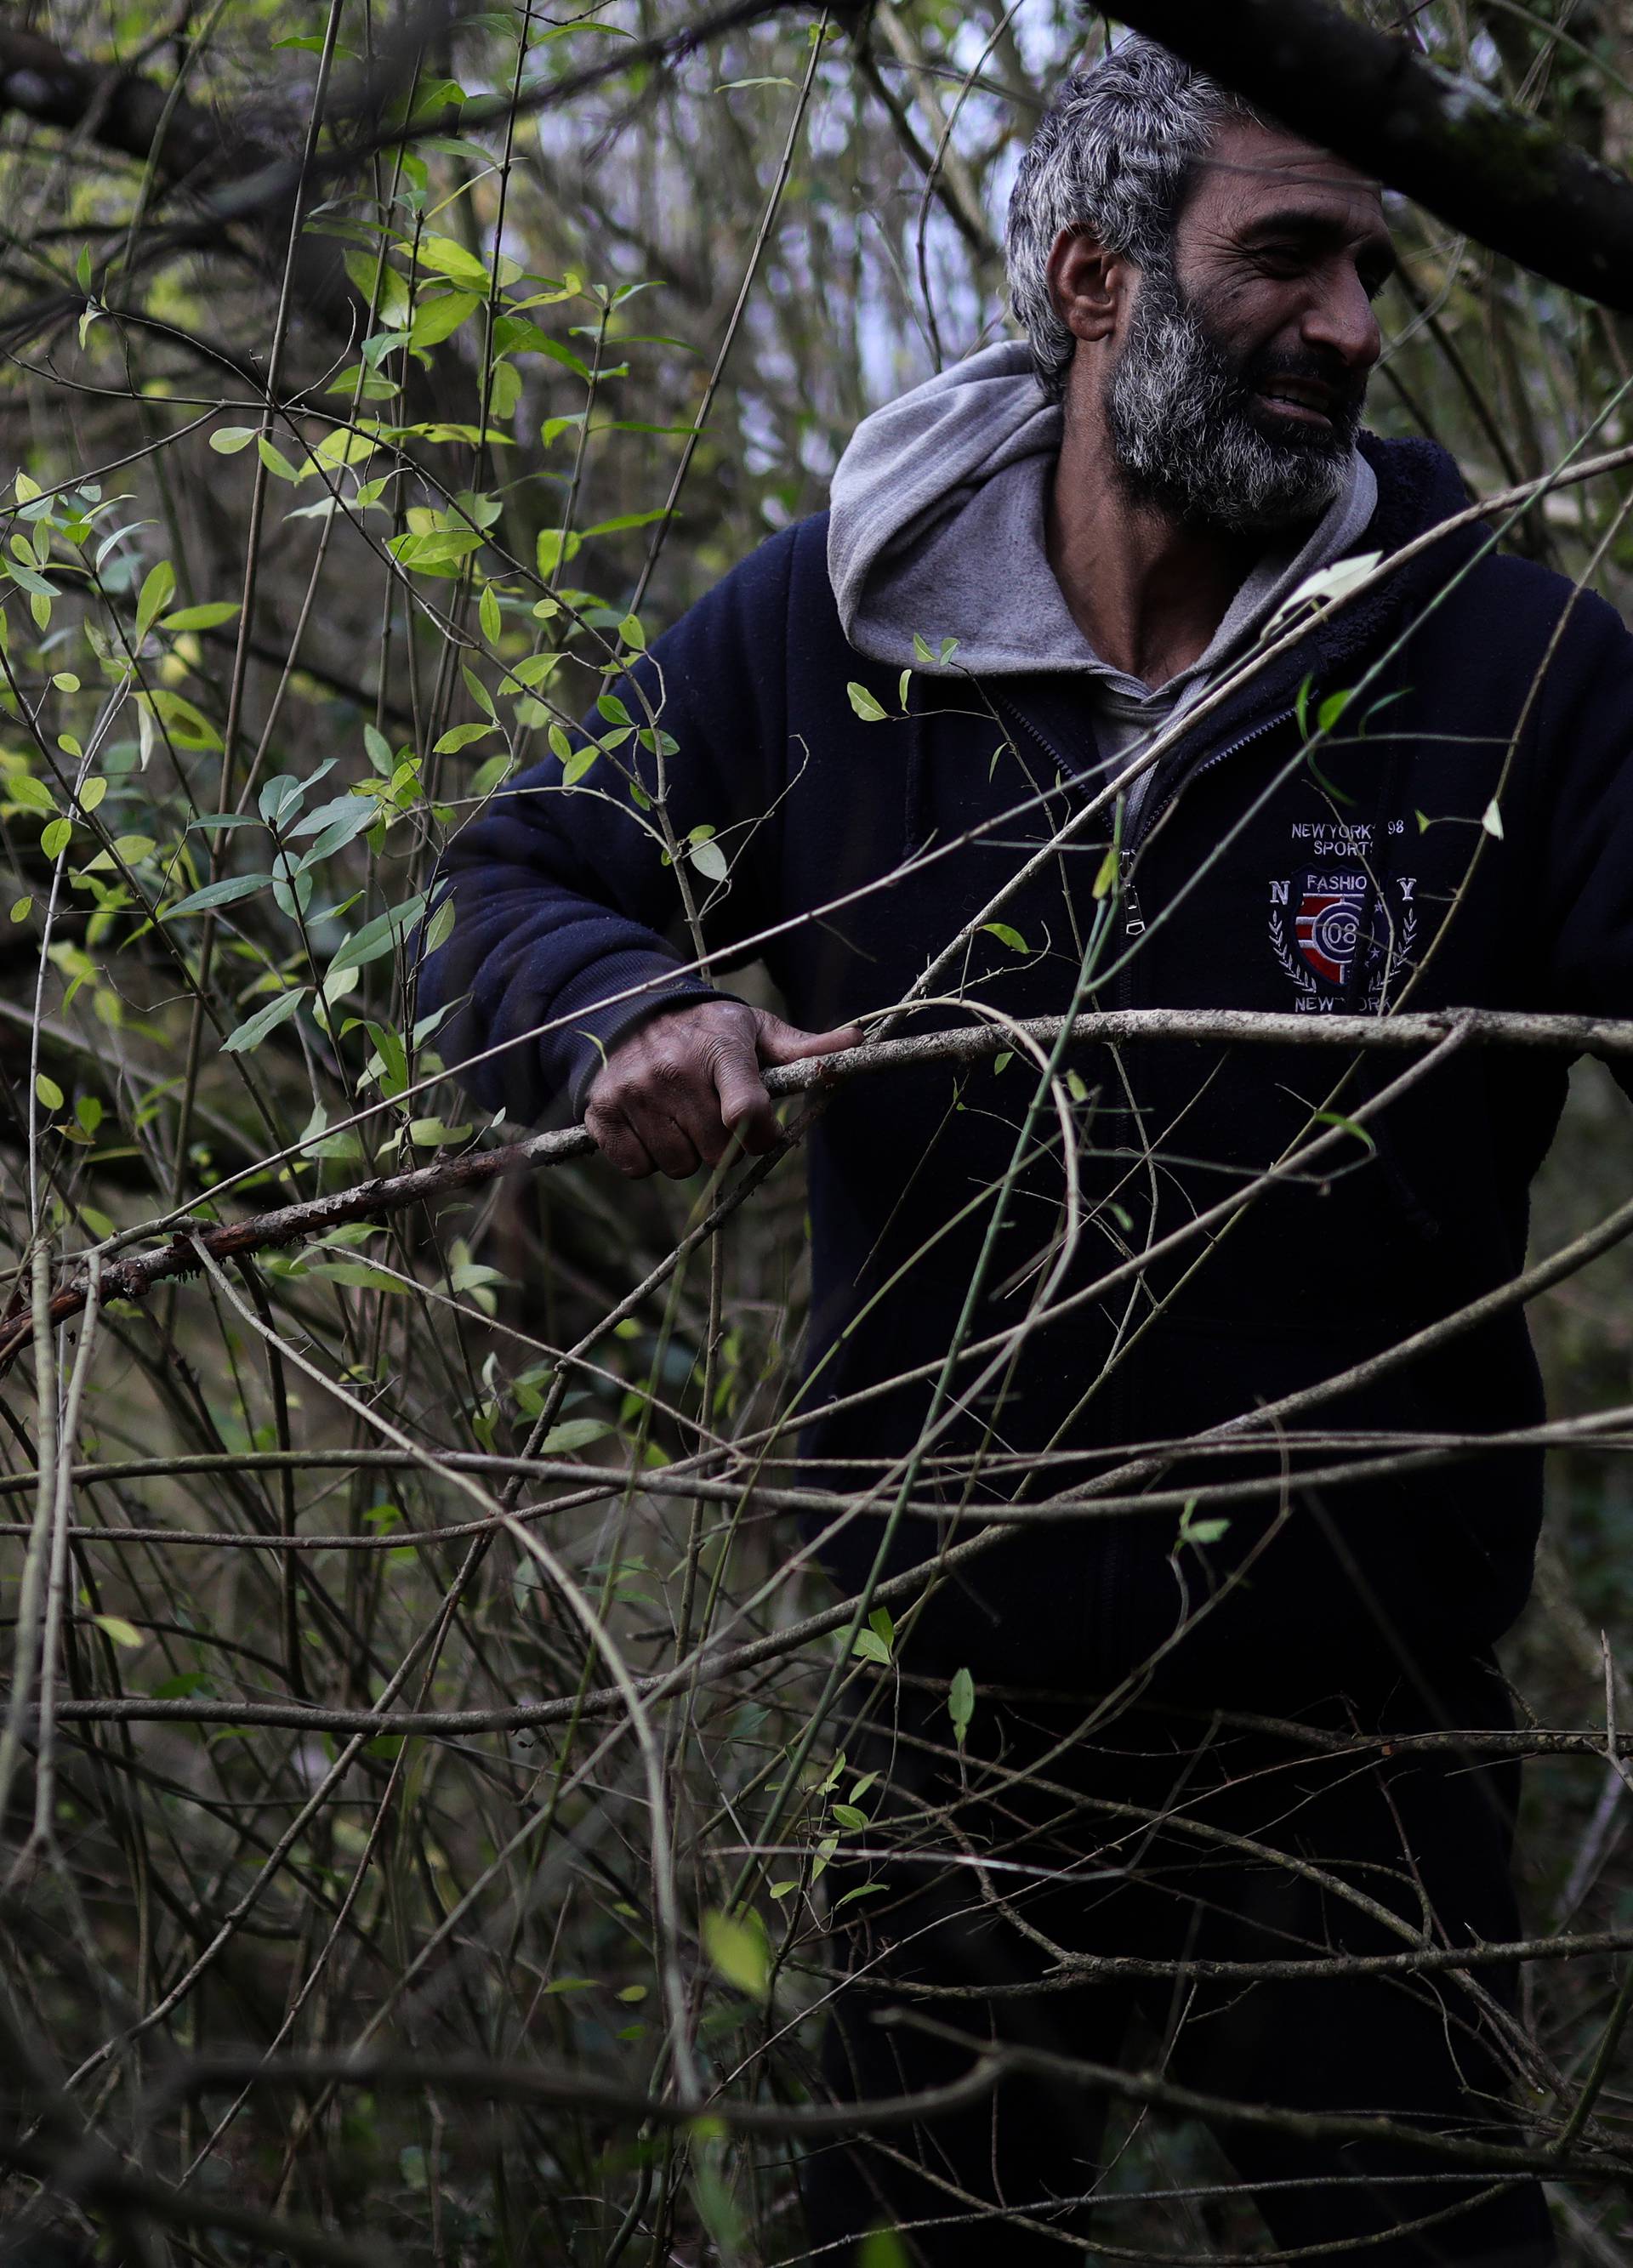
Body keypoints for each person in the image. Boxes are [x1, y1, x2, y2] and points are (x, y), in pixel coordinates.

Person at [418, 36, 1633, 2262]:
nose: (1358, 322)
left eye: (1375, 263)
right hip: (964, 1730)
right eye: (1288, 257)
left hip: (1359, 1744)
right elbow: (515, 881)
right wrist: (637, 1013)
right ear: (1096, 282)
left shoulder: (1514, 666)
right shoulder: (821, 633)